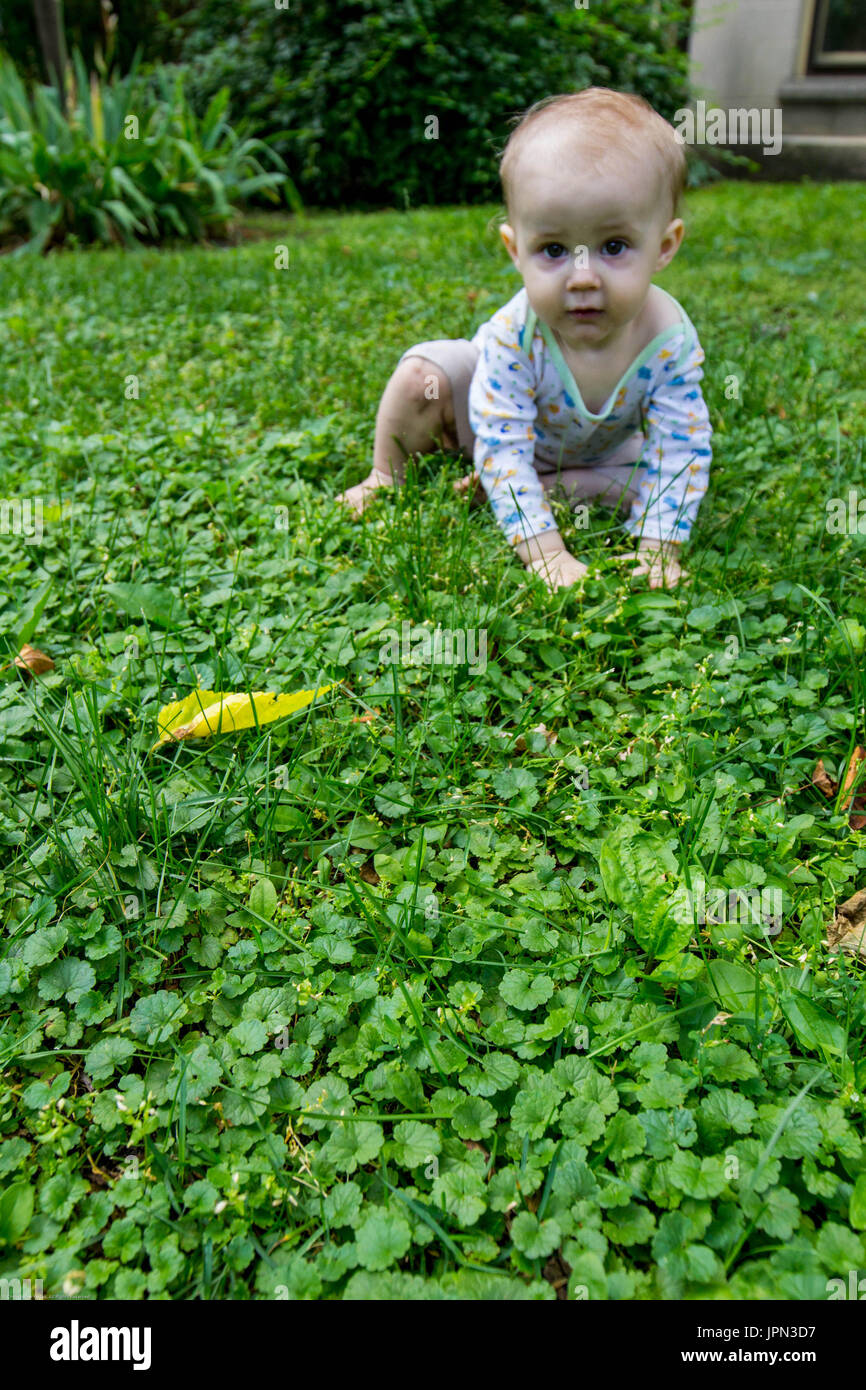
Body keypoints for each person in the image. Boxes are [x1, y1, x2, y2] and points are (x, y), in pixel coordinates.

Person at [338, 87, 712, 591]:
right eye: (554, 249)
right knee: (420, 377)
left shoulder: (668, 338)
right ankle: (386, 474)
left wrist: (659, 552)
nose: (582, 277)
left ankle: (537, 489)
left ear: (664, 246)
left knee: (644, 484)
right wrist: (545, 554)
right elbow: (501, 441)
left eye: (614, 246)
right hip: (488, 419)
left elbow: (680, 446)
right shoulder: (516, 334)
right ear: (516, 250)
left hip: (600, 455)